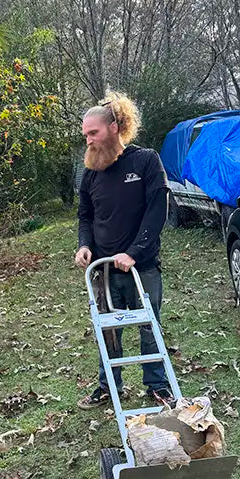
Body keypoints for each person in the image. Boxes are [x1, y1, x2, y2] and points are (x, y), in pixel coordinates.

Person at [75, 91, 172, 410]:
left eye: (94, 133)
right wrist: (84, 245)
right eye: (85, 134)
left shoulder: (145, 161)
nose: (88, 140)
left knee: (149, 326)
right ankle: (108, 386)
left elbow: (158, 210)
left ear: (114, 127)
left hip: (140, 265)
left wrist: (134, 251)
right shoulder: (91, 173)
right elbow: (85, 215)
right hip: (103, 268)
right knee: (108, 330)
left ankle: (157, 385)